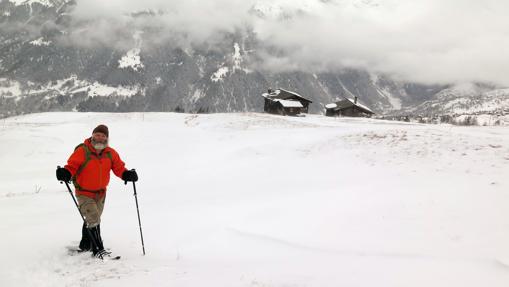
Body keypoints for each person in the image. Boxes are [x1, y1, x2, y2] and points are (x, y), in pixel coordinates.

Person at [56, 124, 138, 258]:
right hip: (84, 193)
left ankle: (85, 245)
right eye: (97, 135)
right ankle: (98, 249)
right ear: (92, 136)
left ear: (107, 138)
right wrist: (65, 172)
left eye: (103, 136)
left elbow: (119, 168)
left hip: (100, 194)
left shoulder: (110, 153)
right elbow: (72, 166)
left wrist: (127, 175)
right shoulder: (83, 151)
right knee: (93, 219)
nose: (100, 138)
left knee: (93, 219)